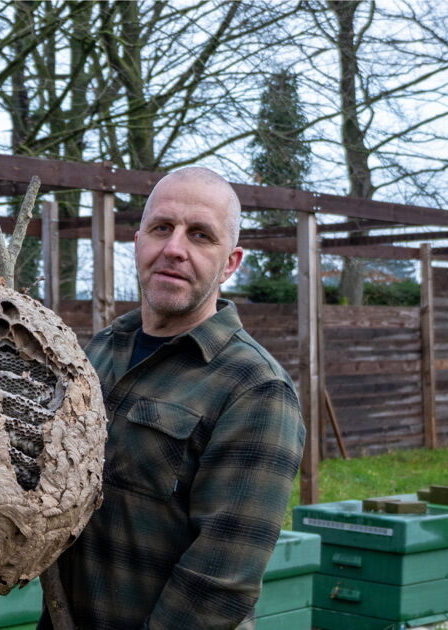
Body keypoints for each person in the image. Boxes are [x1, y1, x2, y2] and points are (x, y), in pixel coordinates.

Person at [39, 167, 306, 630]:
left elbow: (220, 582)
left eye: (201, 235)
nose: (175, 248)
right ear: (139, 240)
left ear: (231, 263)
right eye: (162, 228)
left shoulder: (255, 389)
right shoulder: (96, 352)